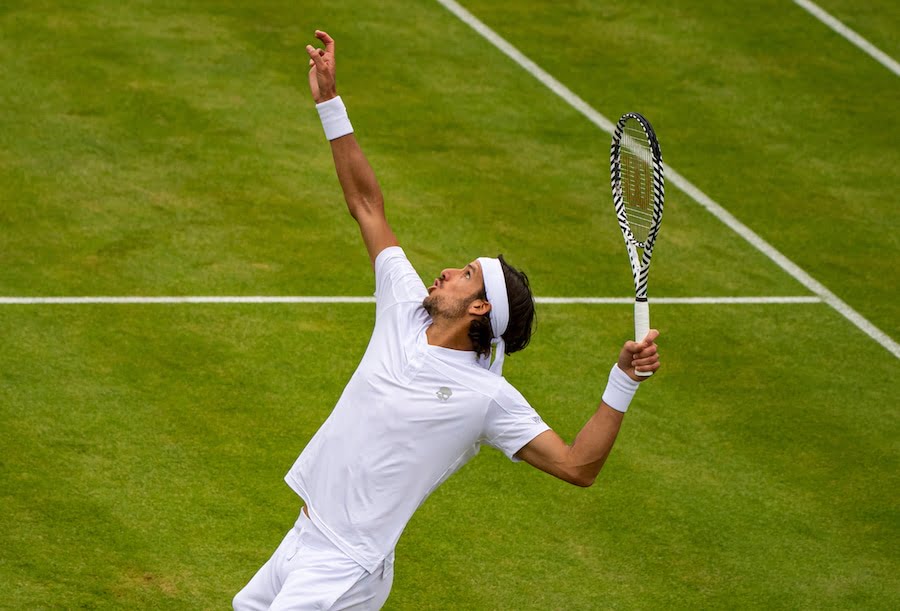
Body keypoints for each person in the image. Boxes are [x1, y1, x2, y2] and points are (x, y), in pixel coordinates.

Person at [233, 30, 661, 611]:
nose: (444, 272)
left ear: (480, 307)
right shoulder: (405, 309)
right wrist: (329, 103)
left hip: (346, 565)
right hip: (303, 539)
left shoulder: (486, 397)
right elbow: (366, 205)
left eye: (464, 275)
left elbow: (577, 466)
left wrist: (623, 381)